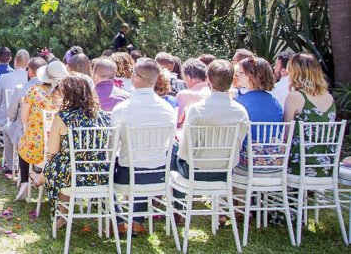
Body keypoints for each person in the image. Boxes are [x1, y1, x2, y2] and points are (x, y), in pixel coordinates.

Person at [33, 73, 112, 228]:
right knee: (62, 165)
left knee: (56, 165)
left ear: (68, 95)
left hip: (72, 174)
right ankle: (62, 211)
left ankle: (61, 214)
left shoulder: (63, 117)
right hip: (99, 173)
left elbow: (53, 149)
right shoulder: (103, 116)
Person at [110, 59, 177, 234]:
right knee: (142, 162)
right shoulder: (168, 109)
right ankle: (136, 220)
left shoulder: (122, 108)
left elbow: (111, 147)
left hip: (128, 176)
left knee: (108, 166)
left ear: (136, 77)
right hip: (158, 175)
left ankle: (118, 220)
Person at [173, 60, 248, 191]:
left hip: (195, 172)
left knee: (173, 153)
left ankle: (179, 208)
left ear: (209, 79)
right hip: (225, 172)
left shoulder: (197, 109)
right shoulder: (241, 112)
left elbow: (184, 152)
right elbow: (239, 145)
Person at [16, 60, 68, 200]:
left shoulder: (34, 91)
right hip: (59, 153)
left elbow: (24, 120)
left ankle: (24, 182)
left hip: (35, 150)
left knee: (23, 143)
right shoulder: (66, 97)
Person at [284, 53, 337, 176]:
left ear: (295, 72)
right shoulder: (329, 97)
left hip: (300, 164)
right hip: (327, 164)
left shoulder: (295, 97)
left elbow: (286, 134)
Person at [5, 57, 45, 182]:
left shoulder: (21, 88)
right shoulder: (52, 91)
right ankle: (38, 168)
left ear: (31, 70)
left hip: (24, 133)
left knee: (6, 129)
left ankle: (12, 165)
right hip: (46, 135)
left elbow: (11, 114)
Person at [0, 49, 30, 164]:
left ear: (15, 62)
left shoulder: (4, 77)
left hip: (5, 115)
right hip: (25, 120)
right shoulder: (30, 80)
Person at [175, 59, 210, 127]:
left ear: (189, 78)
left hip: (190, 135)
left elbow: (177, 122)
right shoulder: (216, 94)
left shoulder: (184, 95)